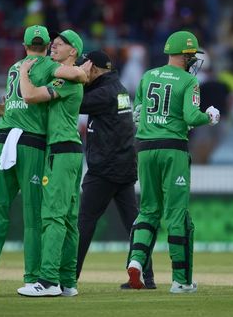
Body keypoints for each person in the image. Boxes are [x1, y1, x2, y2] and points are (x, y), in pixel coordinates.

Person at [0, 25, 87, 297]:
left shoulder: (14, 67)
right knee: (36, 215)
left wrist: (7, 107)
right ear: (48, 44)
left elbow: (20, 99)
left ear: (24, 43)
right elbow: (75, 75)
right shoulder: (48, 65)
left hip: (4, 138)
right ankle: (36, 277)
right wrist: (84, 70)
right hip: (33, 144)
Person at [125, 30, 220, 293]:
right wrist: (209, 117)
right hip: (172, 149)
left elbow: (137, 114)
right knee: (177, 215)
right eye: (191, 55)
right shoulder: (189, 82)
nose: (193, 60)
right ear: (184, 55)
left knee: (148, 210)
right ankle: (181, 281)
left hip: (144, 149)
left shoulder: (147, 76)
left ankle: (135, 261)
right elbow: (191, 116)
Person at [74, 50, 156, 289]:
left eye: (84, 67)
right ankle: (146, 277)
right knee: (133, 224)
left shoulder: (104, 93)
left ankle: (68, 276)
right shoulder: (116, 88)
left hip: (104, 169)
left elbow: (73, 102)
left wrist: (72, 77)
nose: (81, 72)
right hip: (124, 166)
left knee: (85, 222)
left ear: (95, 69)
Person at [16, 29, 87, 297]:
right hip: (71, 151)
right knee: (69, 218)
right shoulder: (70, 76)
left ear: (74, 52)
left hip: (60, 150)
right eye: (54, 43)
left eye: (62, 44)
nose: (55, 45)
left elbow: (31, 96)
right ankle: (68, 281)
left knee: (53, 215)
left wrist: (24, 73)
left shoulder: (65, 81)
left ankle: (47, 281)